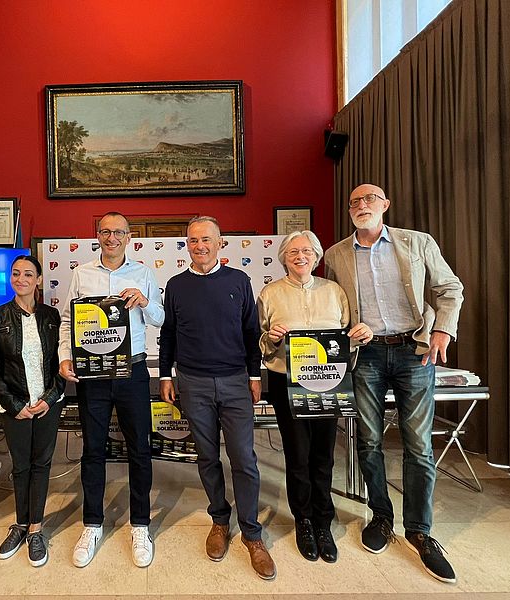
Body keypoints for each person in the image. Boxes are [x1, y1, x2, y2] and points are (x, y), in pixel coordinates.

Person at [324, 183, 464, 583]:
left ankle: (419, 530)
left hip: (414, 351)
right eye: (354, 201)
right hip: (365, 356)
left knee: (418, 444)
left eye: (369, 199)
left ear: (385, 204)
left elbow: (449, 288)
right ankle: (381, 517)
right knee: (368, 441)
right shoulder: (335, 255)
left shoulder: (417, 243)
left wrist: (443, 330)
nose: (361, 205)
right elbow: (335, 307)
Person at [159, 216, 276, 581]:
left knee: (243, 458)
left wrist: (254, 376)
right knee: (207, 456)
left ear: (220, 243)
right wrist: (165, 375)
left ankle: (252, 533)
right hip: (192, 383)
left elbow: (251, 331)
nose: (200, 246)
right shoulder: (175, 285)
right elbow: (169, 333)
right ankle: (220, 520)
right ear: (187, 245)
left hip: (235, 382)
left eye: (206, 239)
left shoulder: (239, 281)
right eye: (193, 241)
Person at [257, 230, 373, 564]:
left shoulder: (334, 291)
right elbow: (260, 343)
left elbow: (346, 337)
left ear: (317, 256)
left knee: (324, 455)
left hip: (330, 382)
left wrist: (361, 336)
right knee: (297, 455)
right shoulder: (269, 293)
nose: (300, 256)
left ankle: (323, 520)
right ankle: (304, 520)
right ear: (283, 257)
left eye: (307, 251)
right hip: (286, 382)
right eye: (293, 251)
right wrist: (271, 338)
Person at [58, 212, 164, 568]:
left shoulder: (143, 273)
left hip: (132, 370)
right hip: (93, 373)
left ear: (129, 237)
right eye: (105, 231)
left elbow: (162, 318)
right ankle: (92, 524)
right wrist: (64, 357)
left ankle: (140, 524)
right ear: (97, 235)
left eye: (118, 232)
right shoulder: (81, 273)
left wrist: (145, 301)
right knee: (93, 449)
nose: (112, 237)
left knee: (140, 449)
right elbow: (67, 320)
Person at [0, 255, 66, 567]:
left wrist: (50, 397)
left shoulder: (52, 316)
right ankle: (19, 523)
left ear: (39, 279)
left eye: (28, 274)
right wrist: (14, 405)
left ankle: (35, 529)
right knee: (20, 466)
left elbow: (61, 361)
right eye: (16, 273)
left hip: (47, 403)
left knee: (41, 464)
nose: (21, 279)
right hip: (14, 406)